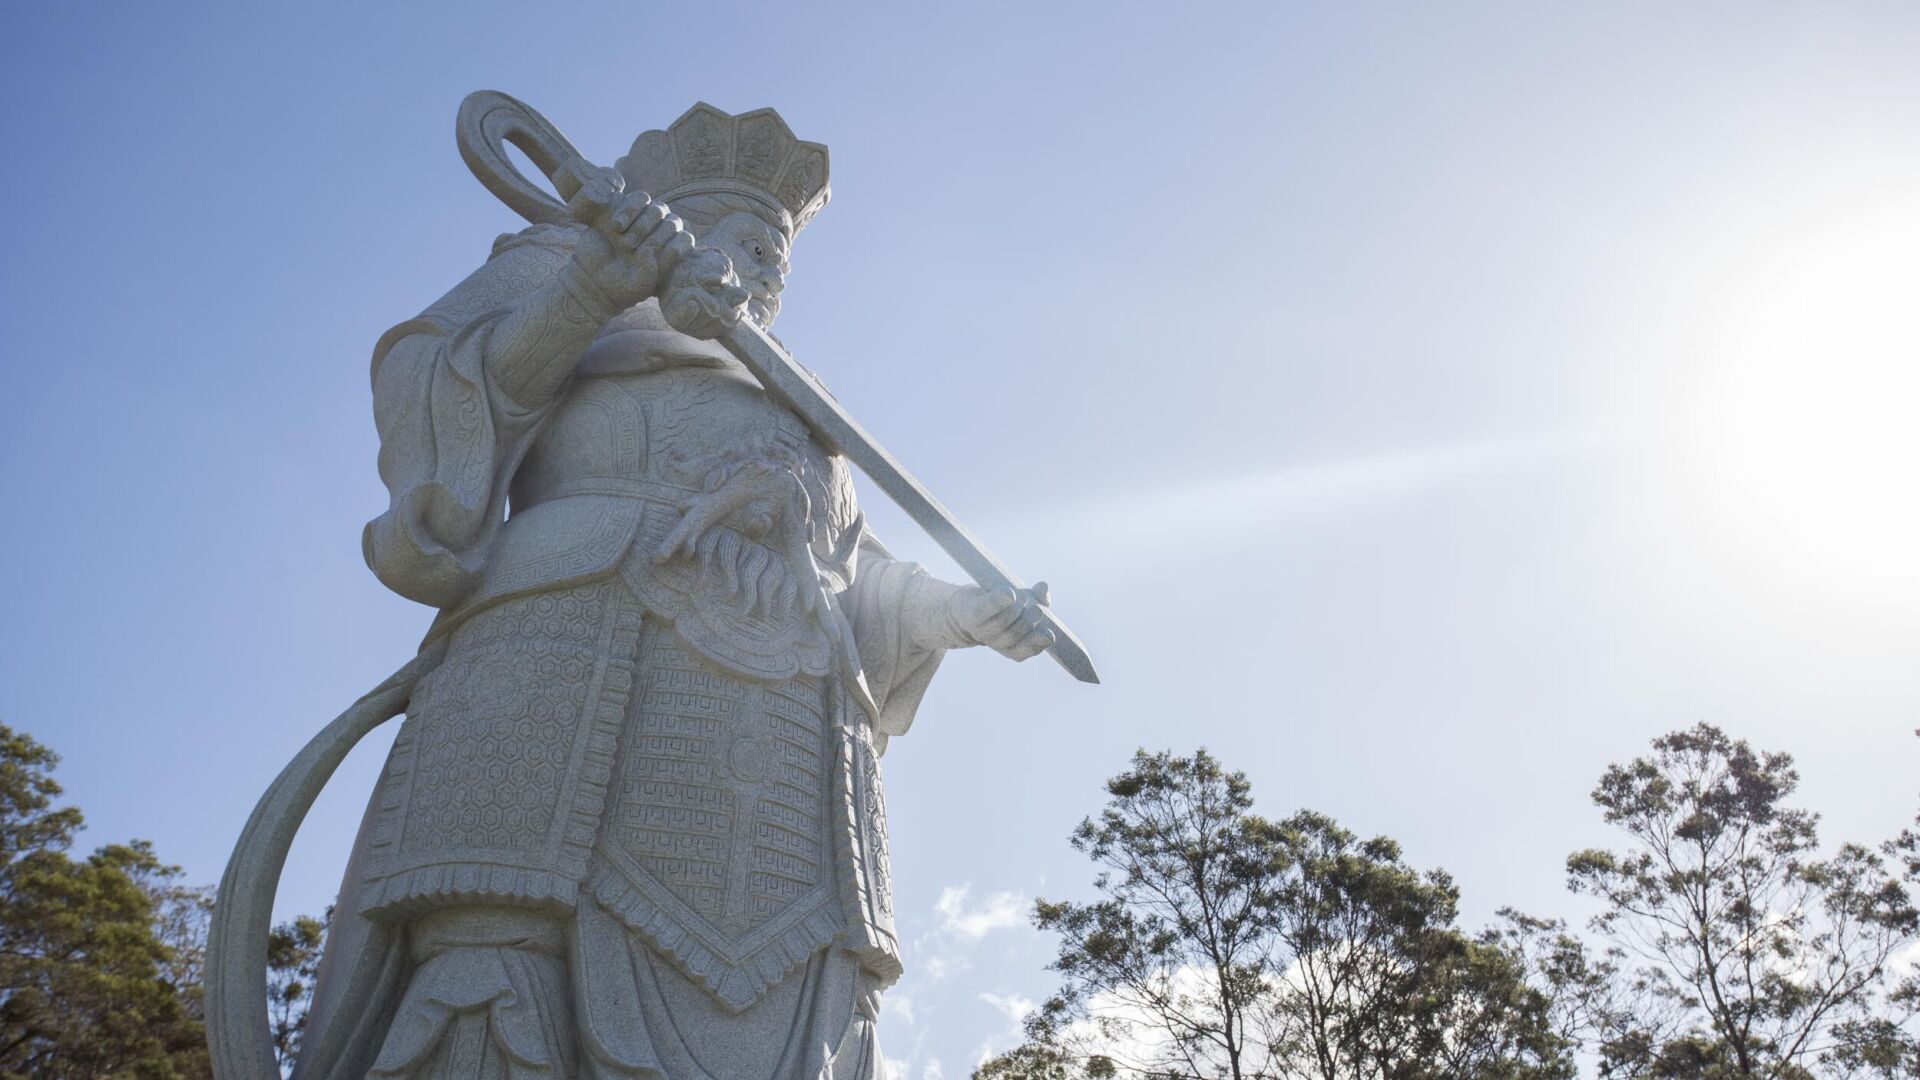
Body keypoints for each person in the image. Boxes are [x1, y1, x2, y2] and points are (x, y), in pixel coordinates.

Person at [293, 103, 1053, 1080]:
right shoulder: (576, 280)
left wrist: (955, 613)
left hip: (778, 735)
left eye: (779, 254)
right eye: (745, 241)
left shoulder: (800, 406)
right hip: (567, 652)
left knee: (799, 993)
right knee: (496, 958)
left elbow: (849, 568)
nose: (769, 268)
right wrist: (591, 289)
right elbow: (444, 388)